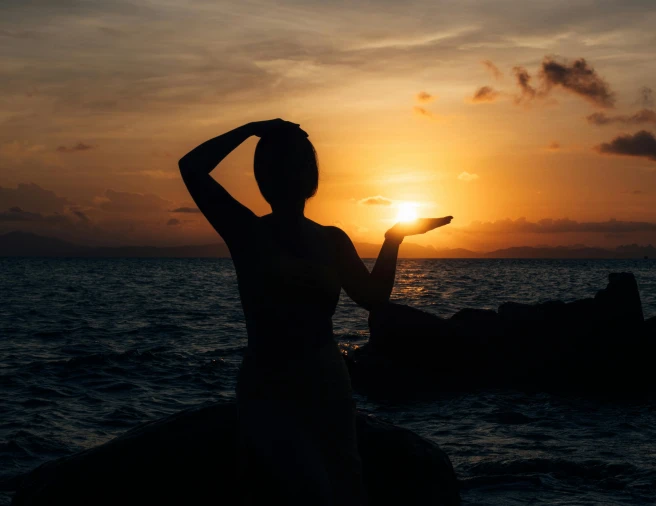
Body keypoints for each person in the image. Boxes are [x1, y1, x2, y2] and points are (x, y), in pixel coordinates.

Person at [178, 119, 452, 505]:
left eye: (300, 164)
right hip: (270, 383)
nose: (293, 173)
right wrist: (251, 129)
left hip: (327, 382)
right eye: (282, 165)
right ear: (265, 176)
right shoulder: (247, 230)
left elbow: (372, 296)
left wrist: (393, 239)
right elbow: (191, 167)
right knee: (303, 488)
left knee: (345, 487)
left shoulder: (331, 239)